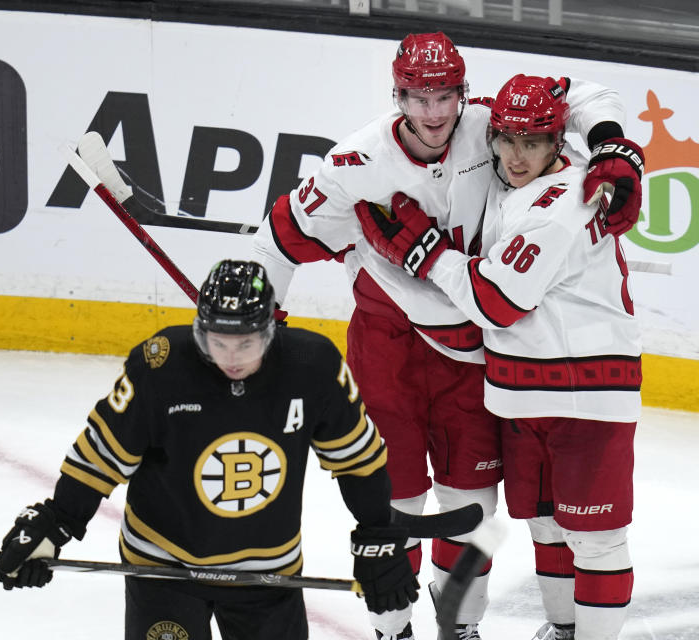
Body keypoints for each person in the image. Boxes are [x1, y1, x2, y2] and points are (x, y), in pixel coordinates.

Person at [251, 31, 643, 640]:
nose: (433, 114)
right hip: (389, 354)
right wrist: (259, 333)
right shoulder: (355, 164)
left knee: (476, 512)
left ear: (464, 94)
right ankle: (394, 629)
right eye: (417, 98)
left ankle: (459, 625)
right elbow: (277, 239)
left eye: (445, 97)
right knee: (396, 507)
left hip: (474, 358)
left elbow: (584, 93)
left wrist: (612, 144)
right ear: (397, 96)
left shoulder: (495, 124)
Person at [0, 259, 420, 640]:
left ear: (271, 332)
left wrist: (377, 533)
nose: (231, 358)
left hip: (267, 573)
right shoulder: (160, 367)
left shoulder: (313, 368)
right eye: (218, 343)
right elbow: (100, 455)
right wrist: (57, 521)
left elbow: (358, 459)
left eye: (245, 345)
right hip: (162, 566)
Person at [356, 74, 640, 640]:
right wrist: (611, 137)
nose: (514, 155)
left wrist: (424, 254)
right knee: (544, 523)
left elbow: (498, 301)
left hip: (585, 396)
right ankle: (563, 629)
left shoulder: (566, 201)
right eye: (506, 139)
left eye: (531, 142)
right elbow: (584, 91)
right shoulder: (513, 176)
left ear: (557, 143)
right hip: (518, 393)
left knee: (596, 536)